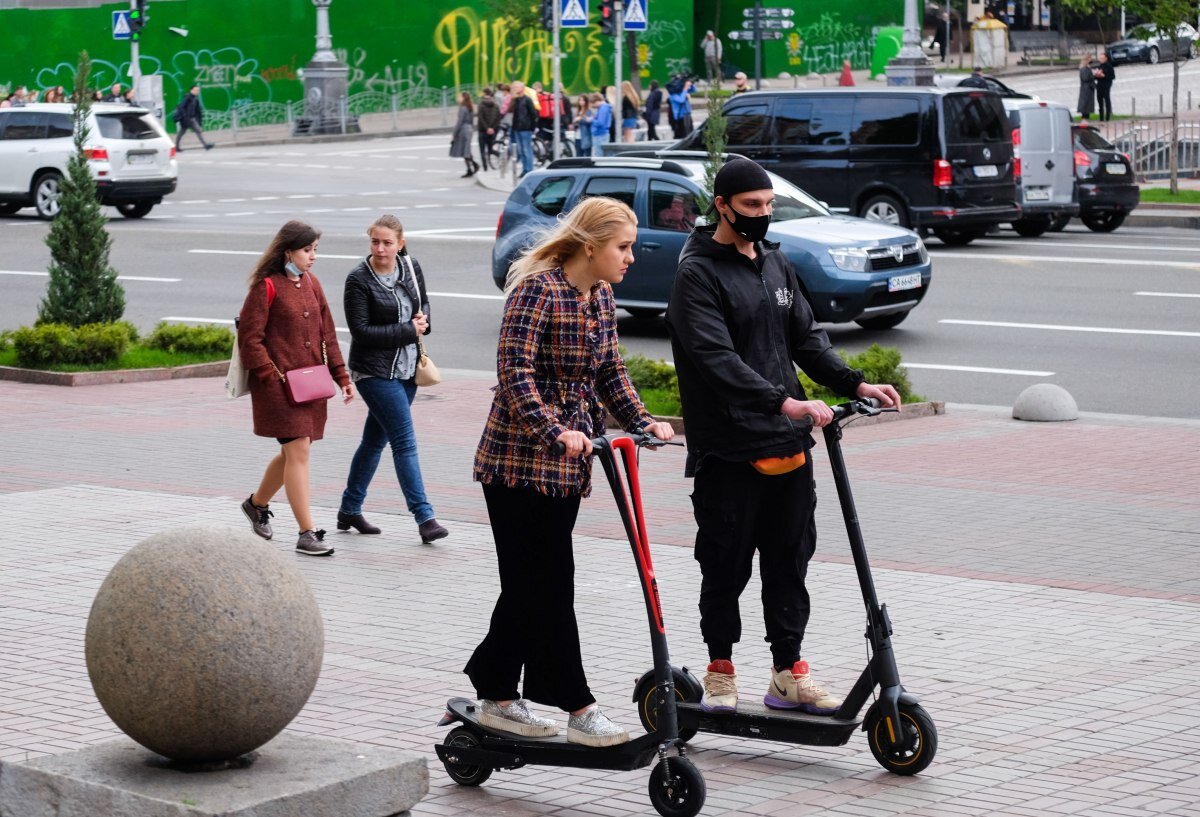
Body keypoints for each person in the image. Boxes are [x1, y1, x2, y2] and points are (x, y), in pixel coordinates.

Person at [664, 158, 901, 716]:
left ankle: (787, 673)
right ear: (722, 206)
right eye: (751, 207)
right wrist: (784, 400)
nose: (762, 216)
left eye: (768, 206)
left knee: (790, 562)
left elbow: (807, 339)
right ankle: (720, 668)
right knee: (725, 565)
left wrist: (856, 381)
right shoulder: (697, 274)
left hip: (788, 443)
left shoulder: (775, 263)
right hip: (730, 447)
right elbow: (715, 359)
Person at [467, 196, 675, 747]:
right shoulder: (538, 291)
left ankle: (494, 691)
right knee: (550, 584)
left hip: (565, 469)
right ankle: (578, 705)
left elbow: (609, 369)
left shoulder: (600, 296)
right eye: (623, 247)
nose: (631, 257)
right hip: (517, 463)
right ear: (590, 246)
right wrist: (555, 431)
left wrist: (642, 421)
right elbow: (514, 374)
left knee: (528, 585)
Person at [237, 220, 353, 557]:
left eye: (315, 249)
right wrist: (271, 376)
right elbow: (250, 340)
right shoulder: (266, 287)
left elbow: (327, 335)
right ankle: (306, 533)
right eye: (307, 250)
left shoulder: (312, 284)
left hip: (310, 386)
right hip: (277, 388)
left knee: (294, 453)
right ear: (288, 251)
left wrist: (342, 377)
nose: (313, 256)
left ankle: (256, 504)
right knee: (299, 450)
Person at [338, 215, 449, 545]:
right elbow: (361, 332)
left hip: (407, 370)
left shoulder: (411, 266)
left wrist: (423, 321)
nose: (381, 248)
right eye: (375, 241)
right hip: (373, 372)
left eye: (387, 242)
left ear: (400, 243)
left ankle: (349, 508)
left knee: (374, 441)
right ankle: (425, 517)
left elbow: (423, 303)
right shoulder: (358, 279)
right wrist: (407, 330)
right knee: (404, 440)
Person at [508, 80, 537, 177]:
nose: (515, 89)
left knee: (526, 149)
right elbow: (509, 110)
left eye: (517, 87)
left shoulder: (527, 99)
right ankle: (525, 169)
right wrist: (513, 98)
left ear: (522, 88)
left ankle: (529, 170)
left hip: (525, 128)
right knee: (520, 150)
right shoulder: (515, 100)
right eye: (514, 87)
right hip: (516, 128)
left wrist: (532, 127)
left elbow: (533, 114)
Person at [173, 85, 213, 151]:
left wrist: (199, 122)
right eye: (196, 90)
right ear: (191, 90)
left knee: (198, 131)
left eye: (198, 90)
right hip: (186, 120)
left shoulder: (195, 99)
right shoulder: (188, 98)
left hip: (192, 119)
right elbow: (181, 107)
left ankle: (206, 145)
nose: (197, 91)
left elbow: (198, 111)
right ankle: (176, 147)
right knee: (181, 133)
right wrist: (185, 116)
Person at [450, 91, 479, 178]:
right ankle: (473, 166)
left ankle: (471, 168)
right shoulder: (469, 107)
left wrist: (454, 134)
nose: (458, 98)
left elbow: (459, 122)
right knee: (466, 150)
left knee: (464, 151)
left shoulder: (463, 108)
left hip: (464, 130)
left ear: (463, 98)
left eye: (459, 96)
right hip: (469, 129)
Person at [476, 88, 501, 171]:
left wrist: (487, 128)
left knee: (482, 150)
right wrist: (492, 128)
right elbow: (498, 118)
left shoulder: (481, 105)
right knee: (490, 149)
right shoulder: (496, 106)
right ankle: (500, 157)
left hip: (482, 131)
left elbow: (481, 118)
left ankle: (485, 167)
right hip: (492, 131)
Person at [586, 91, 612, 157]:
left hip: (600, 134)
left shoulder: (603, 108)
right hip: (601, 134)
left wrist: (591, 120)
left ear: (597, 101)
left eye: (593, 104)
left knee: (599, 155)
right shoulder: (604, 107)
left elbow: (600, 122)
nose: (593, 106)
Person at [1095, 53, 1115, 122]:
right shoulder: (1100, 66)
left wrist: (1104, 76)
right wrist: (1096, 75)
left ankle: (1107, 118)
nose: (1101, 60)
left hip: (1106, 85)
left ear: (1106, 58)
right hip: (1099, 85)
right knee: (1099, 100)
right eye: (1100, 58)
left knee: (1107, 100)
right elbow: (1096, 77)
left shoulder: (1109, 66)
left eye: (1102, 58)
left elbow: (1112, 76)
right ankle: (1101, 118)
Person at [1077, 55, 1096, 121]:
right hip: (1086, 88)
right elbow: (1085, 78)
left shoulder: (1087, 68)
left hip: (1088, 88)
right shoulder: (1084, 68)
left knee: (1088, 104)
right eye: (1090, 59)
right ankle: (1084, 118)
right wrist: (1093, 75)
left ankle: (1086, 117)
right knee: (1085, 104)